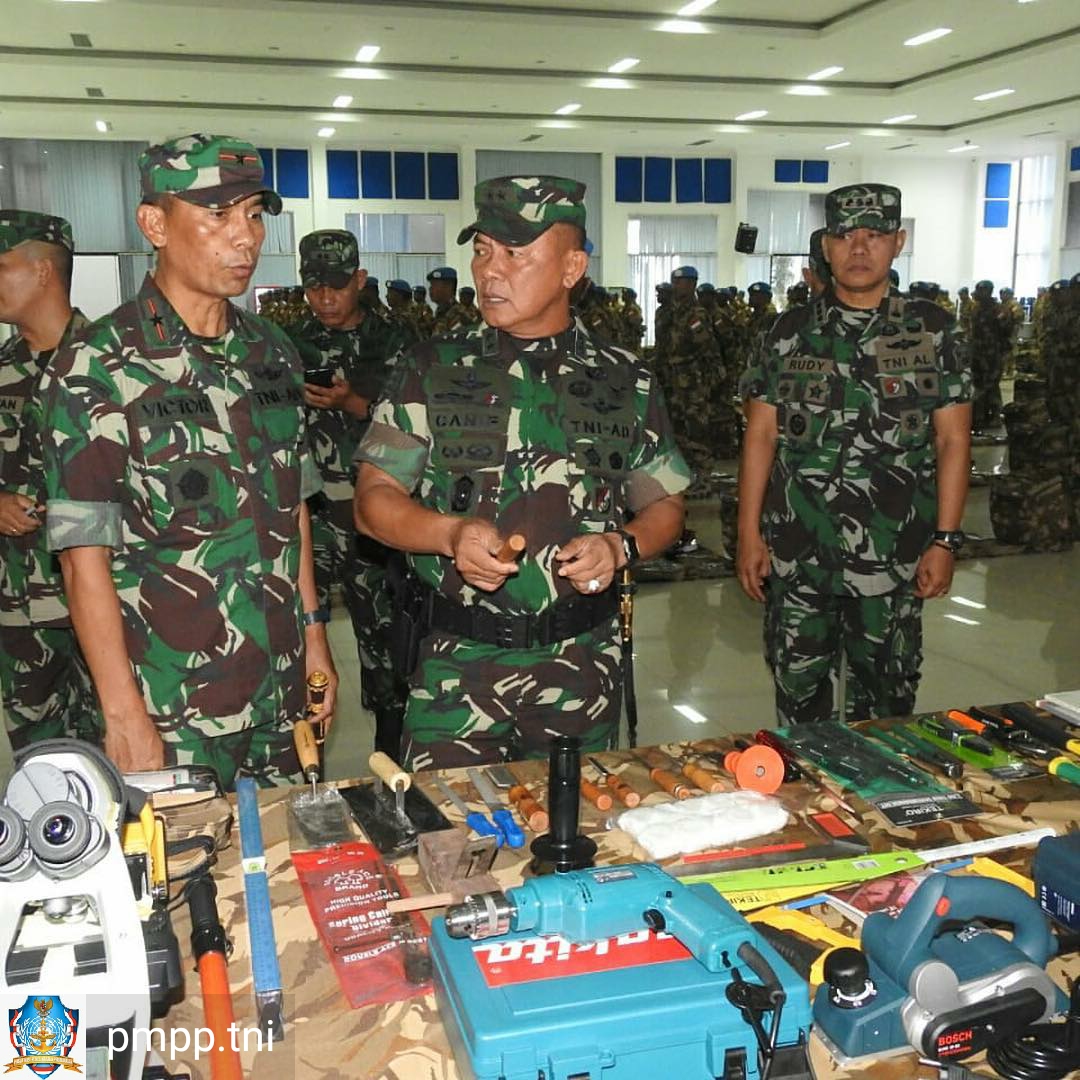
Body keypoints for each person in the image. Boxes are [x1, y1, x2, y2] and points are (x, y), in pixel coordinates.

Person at [353, 175, 689, 769]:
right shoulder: (430, 367)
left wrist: (620, 545)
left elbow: (664, 505)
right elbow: (374, 500)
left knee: (577, 845)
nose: (489, 271)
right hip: (457, 672)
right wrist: (449, 535)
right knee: (452, 845)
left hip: (582, 668)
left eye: (515, 253)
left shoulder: (624, 378)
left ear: (572, 267)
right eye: (482, 250)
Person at [41, 133, 338, 788]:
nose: (245, 238)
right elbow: (80, 556)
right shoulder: (97, 365)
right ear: (154, 224)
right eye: (217, 214)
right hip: (171, 704)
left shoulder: (273, 351)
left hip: (282, 684)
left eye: (255, 215)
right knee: (183, 878)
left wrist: (316, 638)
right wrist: (123, 715)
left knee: (286, 866)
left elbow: (294, 513)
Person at [737, 182, 972, 726]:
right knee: (799, 705)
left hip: (894, 561)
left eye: (875, 235)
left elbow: (953, 439)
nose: (859, 249)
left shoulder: (933, 331)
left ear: (898, 241)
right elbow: (760, 438)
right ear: (825, 245)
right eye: (845, 236)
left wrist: (946, 540)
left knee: (888, 709)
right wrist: (749, 534)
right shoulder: (787, 333)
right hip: (800, 558)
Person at [289, 230, 415, 757]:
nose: (325, 298)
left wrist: (352, 403)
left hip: (371, 517)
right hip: (307, 516)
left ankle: (390, 755)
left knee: (382, 635)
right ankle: (298, 748)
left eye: (337, 286)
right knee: (295, 631)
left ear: (360, 281)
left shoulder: (395, 341)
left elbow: (412, 426)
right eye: (315, 287)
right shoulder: (282, 343)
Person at [0, 211, 97, 748]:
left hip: (108, 597)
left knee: (125, 761)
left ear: (42, 272)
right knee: (40, 759)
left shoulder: (113, 365)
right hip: (20, 607)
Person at [427, 266, 470, 334]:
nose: (430, 288)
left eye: (434, 284)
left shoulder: (458, 314)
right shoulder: (441, 311)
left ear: (448, 286)